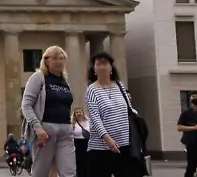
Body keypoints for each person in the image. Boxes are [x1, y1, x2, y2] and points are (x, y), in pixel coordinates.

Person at [22, 46, 76, 177]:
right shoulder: (39, 78)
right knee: (41, 170)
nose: (59, 61)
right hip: (46, 130)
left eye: (62, 58)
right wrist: (37, 127)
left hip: (65, 129)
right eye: (55, 58)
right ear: (46, 61)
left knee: (69, 170)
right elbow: (26, 104)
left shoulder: (65, 81)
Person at [83, 53, 136, 177]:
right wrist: (107, 139)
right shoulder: (92, 89)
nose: (102, 67)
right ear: (94, 69)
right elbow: (95, 118)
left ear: (111, 67)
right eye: (98, 64)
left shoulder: (120, 86)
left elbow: (129, 110)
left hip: (124, 144)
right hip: (100, 147)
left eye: (105, 63)